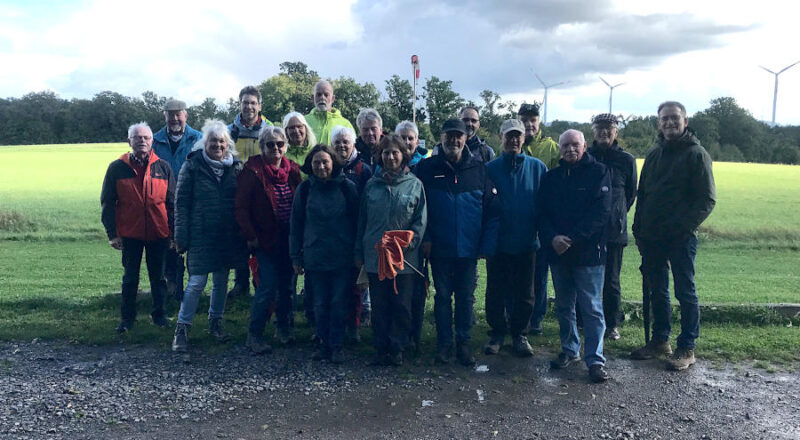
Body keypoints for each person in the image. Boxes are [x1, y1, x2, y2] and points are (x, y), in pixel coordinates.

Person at [631, 101, 716, 371]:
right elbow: (642, 193)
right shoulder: (655, 152)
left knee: (685, 291)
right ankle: (660, 341)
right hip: (652, 236)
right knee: (658, 290)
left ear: (685, 121)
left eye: (674, 118)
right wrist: (639, 227)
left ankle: (687, 347)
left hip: (680, 237)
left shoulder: (696, 154)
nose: (669, 123)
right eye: (664, 119)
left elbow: (706, 200)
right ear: (659, 123)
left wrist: (681, 227)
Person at [415, 119, 499, 366]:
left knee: (465, 298)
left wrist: (486, 245)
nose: (453, 140)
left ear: (465, 139)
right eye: (449, 136)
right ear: (441, 138)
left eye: (458, 136)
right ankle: (444, 345)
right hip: (438, 248)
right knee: (442, 297)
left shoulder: (479, 170)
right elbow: (419, 210)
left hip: (469, 249)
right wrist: (426, 238)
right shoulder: (426, 168)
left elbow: (492, 211)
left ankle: (463, 344)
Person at [539, 129, 612, 383]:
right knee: (563, 305)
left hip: (589, 253)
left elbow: (601, 213)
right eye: (565, 145)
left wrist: (572, 238)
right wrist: (552, 238)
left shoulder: (599, 172)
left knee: (591, 308)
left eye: (575, 145)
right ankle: (570, 349)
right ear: (559, 149)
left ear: (584, 147)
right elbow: (542, 213)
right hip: (559, 254)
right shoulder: (552, 178)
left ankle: (595, 359)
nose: (570, 149)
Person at [171, 120, 246, 352]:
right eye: (213, 141)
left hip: (225, 235)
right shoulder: (192, 167)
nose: (218, 145)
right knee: (196, 283)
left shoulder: (235, 168)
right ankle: (182, 329)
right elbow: (181, 204)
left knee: (221, 281)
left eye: (222, 141)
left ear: (228, 144)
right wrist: (181, 238)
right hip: (200, 234)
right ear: (205, 143)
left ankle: (216, 323)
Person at [355, 134, 427, 366]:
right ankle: (380, 347)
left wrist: (408, 244)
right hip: (376, 258)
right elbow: (362, 221)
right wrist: (359, 252)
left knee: (402, 305)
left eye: (395, 152)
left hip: (404, 259)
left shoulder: (415, 185)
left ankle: (398, 348)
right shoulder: (371, 186)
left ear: (403, 155)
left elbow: (420, 221)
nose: (391, 156)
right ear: (380, 156)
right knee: (380, 304)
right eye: (386, 153)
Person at [101, 122, 174, 333]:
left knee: (158, 278)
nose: (142, 141)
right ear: (129, 141)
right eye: (137, 137)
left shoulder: (163, 167)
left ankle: (159, 316)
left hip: (158, 232)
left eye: (146, 138)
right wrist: (112, 234)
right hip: (130, 233)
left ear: (152, 141)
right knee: (130, 278)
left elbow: (172, 204)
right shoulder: (117, 167)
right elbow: (108, 202)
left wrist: (173, 234)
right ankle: (127, 320)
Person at [235, 127, 303, 354]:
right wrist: (250, 236)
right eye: (270, 144)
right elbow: (241, 208)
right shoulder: (252, 171)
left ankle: (283, 329)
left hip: (289, 239)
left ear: (286, 146)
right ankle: (254, 335)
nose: (275, 148)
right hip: (264, 240)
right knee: (266, 288)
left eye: (280, 144)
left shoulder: (292, 169)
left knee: (287, 289)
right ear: (261, 147)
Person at [290, 144, 359, 363]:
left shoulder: (347, 188)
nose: (321, 166)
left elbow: (358, 222)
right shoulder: (305, 189)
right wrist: (295, 256)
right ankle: (321, 342)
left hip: (342, 256)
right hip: (314, 255)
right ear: (310, 165)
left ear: (333, 163)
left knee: (339, 302)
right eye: (316, 162)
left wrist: (357, 254)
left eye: (325, 162)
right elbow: (296, 224)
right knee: (318, 303)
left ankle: (336, 344)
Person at [484, 119, 548, 357]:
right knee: (495, 291)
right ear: (501, 138)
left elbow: (545, 205)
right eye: (508, 135)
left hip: (527, 241)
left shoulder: (538, 167)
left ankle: (520, 334)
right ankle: (497, 333)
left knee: (526, 293)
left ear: (524, 138)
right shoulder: (490, 168)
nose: (513, 140)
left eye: (517, 136)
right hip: (498, 242)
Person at [587, 113, 637, 340]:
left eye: (609, 128)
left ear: (616, 132)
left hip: (614, 231)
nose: (604, 132)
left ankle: (611, 324)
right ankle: (586, 320)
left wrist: (615, 214)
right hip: (588, 231)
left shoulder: (627, 160)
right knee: (587, 277)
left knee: (612, 280)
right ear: (593, 131)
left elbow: (630, 195)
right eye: (600, 128)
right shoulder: (586, 156)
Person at [151, 99, 202, 302]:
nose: (174, 118)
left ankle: (193, 293)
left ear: (185, 115)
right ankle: (172, 291)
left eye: (178, 114)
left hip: (192, 203)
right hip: (163, 205)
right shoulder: (154, 141)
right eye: (170, 114)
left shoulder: (199, 138)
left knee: (192, 249)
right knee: (168, 249)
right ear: (164, 116)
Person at [518, 102, 560, 334]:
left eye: (532, 120)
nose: (529, 124)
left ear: (539, 121)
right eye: (524, 120)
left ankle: (536, 318)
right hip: (518, 220)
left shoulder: (552, 148)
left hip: (543, 221)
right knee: (517, 272)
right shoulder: (514, 144)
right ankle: (515, 313)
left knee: (539, 273)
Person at [227, 85, 274, 298]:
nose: (249, 107)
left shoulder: (269, 129)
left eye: (253, 103)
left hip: (261, 192)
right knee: (239, 238)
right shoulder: (229, 132)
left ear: (260, 106)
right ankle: (240, 283)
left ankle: (261, 282)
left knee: (261, 237)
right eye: (245, 102)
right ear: (239, 105)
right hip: (234, 191)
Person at [330, 125, 373, 340]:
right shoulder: (327, 167)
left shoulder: (363, 170)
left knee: (356, 286)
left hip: (356, 235)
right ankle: (332, 327)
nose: (341, 145)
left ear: (353, 144)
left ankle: (354, 326)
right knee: (334, 287)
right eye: (337, 142)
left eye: (345, 142)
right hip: (332, 237)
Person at [305, 80, 354, 145]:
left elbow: (352, 150)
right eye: (318, 95)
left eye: (326, 95)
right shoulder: (303, 122)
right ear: (312, 98)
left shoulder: (345, 124)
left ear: (333, 98)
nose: (322, 98)